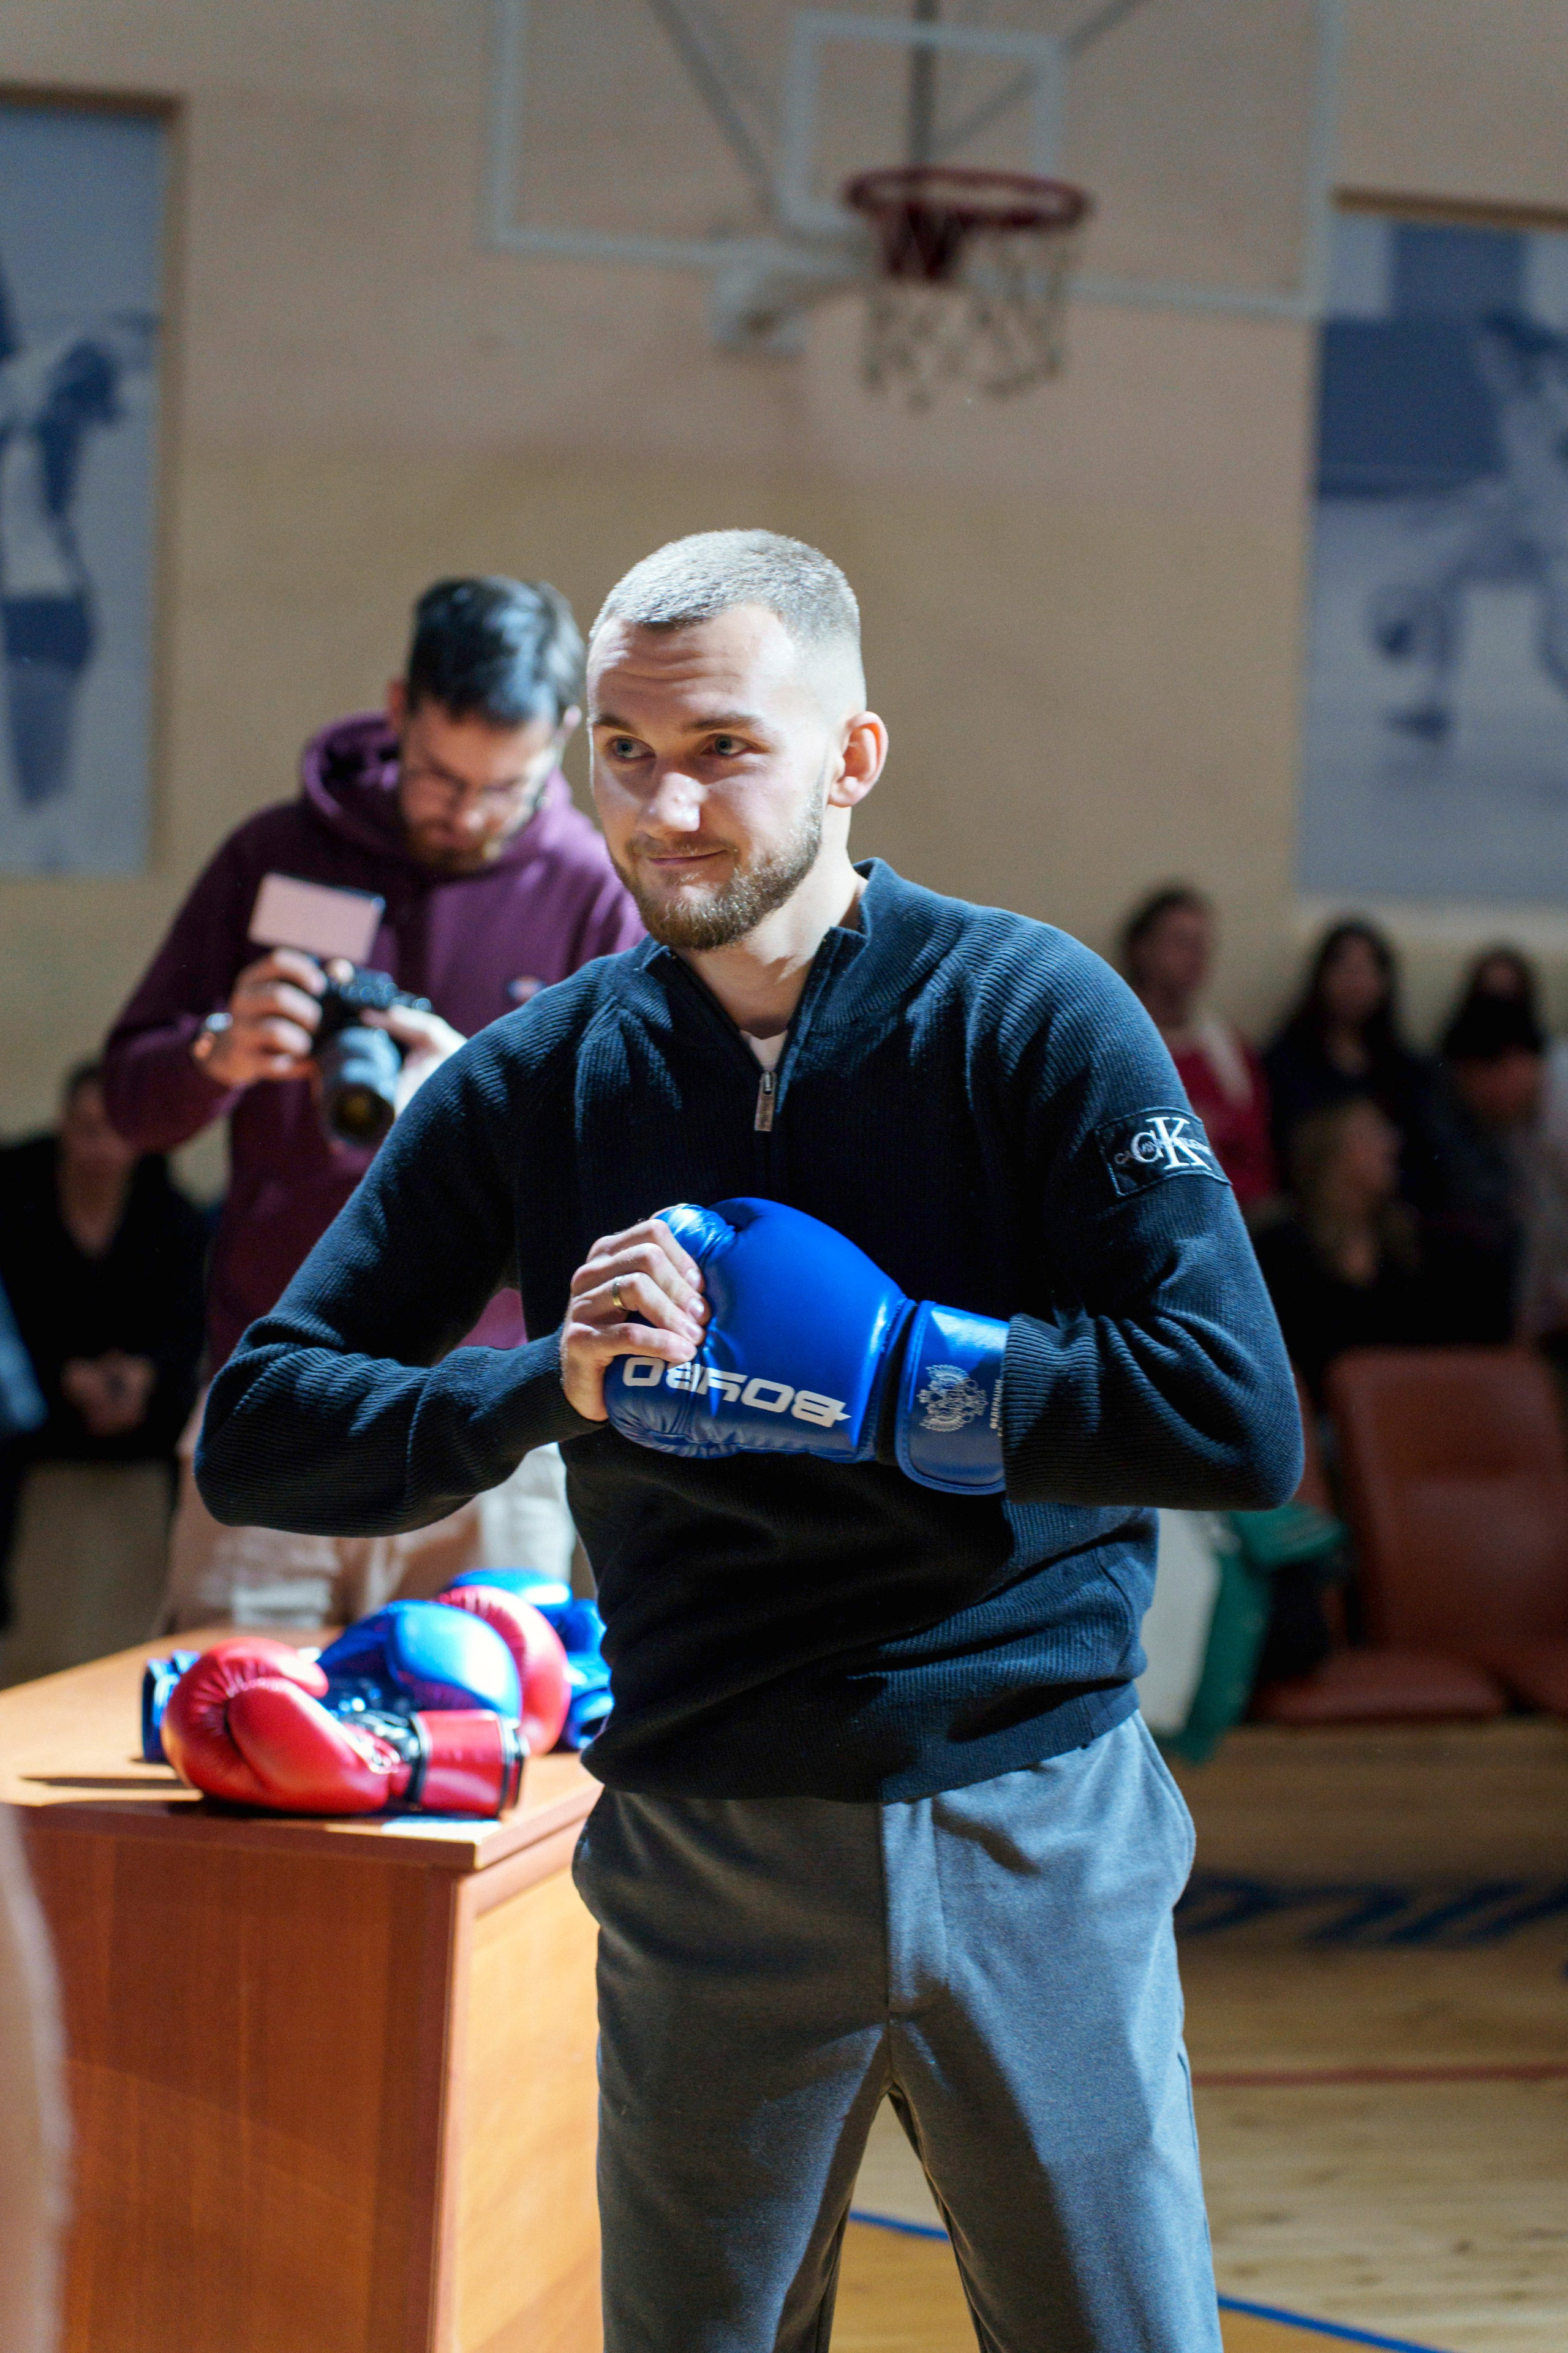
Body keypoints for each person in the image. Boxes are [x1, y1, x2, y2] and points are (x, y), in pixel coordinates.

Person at [195, 528, 1299, 2352]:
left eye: (722, 746)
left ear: (852, 757)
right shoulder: (539, 1074)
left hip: (1028, 1809)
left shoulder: (1031, 1013)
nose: (665, 804)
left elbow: (1235, 1411)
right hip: (707, 1835)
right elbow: (262, 1427)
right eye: (623, 752)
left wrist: (904, 1376)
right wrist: (541, 1382)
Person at [102, 576, 643, 1631]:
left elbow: (631, 1164)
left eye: (507, 788)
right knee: (229, 1740)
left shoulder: (595, 893)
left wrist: (474, 1097)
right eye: (442, 778)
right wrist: (217, 1053)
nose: (469, 815)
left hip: (492, 1427)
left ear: (564, 741)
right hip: (277, 1399)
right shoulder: (279, 854)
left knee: (473, 1761)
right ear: (396, 711)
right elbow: (126, 1106)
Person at [0, 1062, 206, 1644]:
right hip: (36, 1392)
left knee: (205, 1427)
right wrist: (66, 1374)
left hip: (137, 1399)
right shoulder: (16, 1200)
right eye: (85, 1126)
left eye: (113, 1129)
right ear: (63, 1125)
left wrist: (142, 1374)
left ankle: (189, 1605)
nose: (98, 1145)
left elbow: (184, 1321)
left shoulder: (171, 1212)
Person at [1120, 883, 1277, 1211]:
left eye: (1201, 945)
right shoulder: (1114, 1043)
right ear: (1141, 949)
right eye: (1180, 943)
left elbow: (1258, 1157)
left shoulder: (1230, 1051)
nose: (1194, 957)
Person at [1264, 918, 1439, 1203]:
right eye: (1344, 967)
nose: (1355, 981)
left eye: (1366, 969)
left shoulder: (1408, 1072)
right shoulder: (1286, 1064)